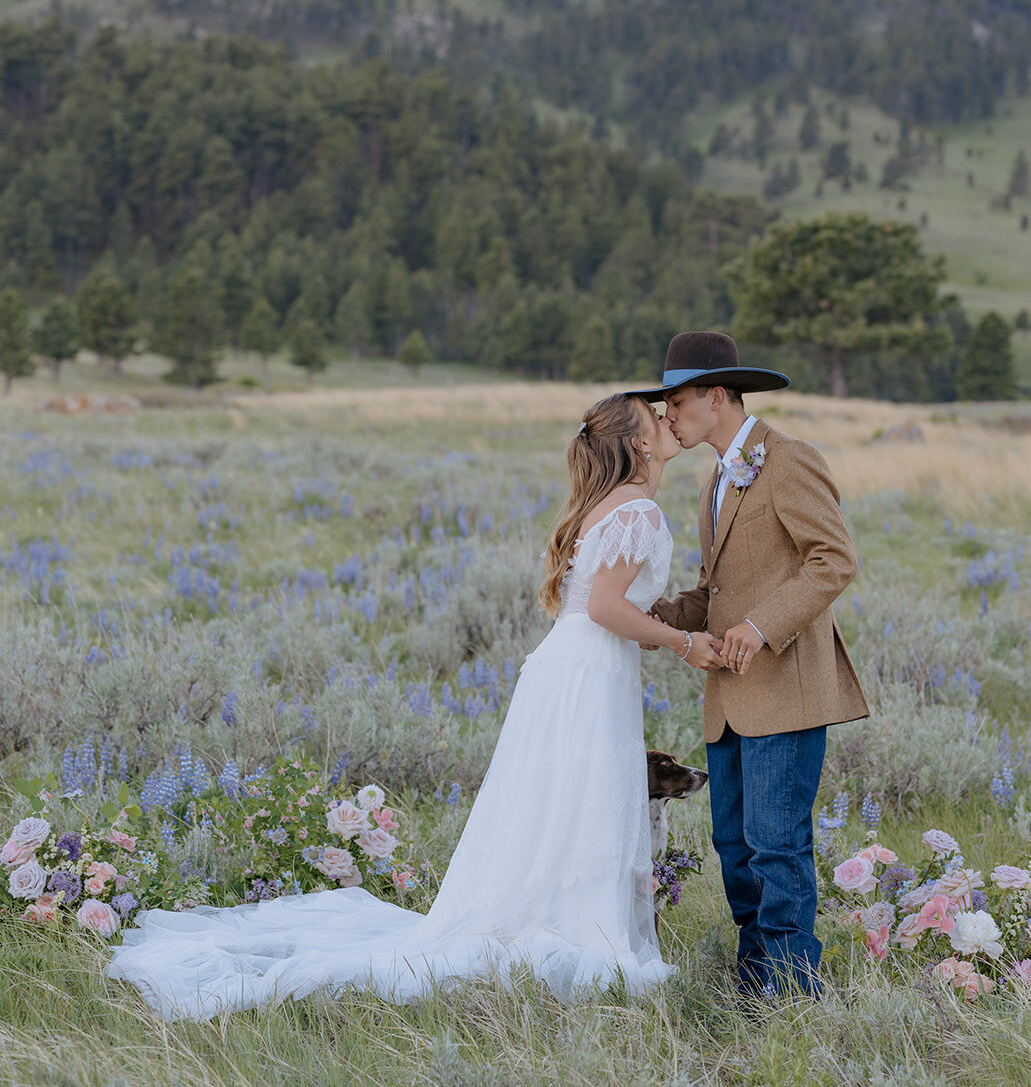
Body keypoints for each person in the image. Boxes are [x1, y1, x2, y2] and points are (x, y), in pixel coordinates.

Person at [108, 393, 717, 1018]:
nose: (668, 418)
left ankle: (563, 915)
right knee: (580, 797)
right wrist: (685, 641)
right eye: (655, 415)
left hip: (576, 668)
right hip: (589, 670)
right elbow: (606, 608)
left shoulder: (605, 506)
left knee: (565, 799)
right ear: (638, 442)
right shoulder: (638, 509)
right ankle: (580, 930)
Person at [629, 331, 868, 999]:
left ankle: (793, 992)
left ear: (715, 395)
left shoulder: (789, 460)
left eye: (674, 401)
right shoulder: (716, 477)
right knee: (734, 847)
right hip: (727, 699)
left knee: (775, 843)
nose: (666, 416)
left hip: (785, 689)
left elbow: (833, 560)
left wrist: (761, 627)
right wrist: (649, 619)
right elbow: (716, 592)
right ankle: (753, 980)